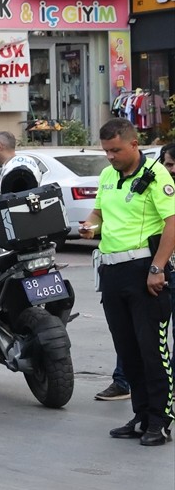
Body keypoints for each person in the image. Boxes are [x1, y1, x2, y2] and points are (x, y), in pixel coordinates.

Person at [80, 120, 174, 447]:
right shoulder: (108, 176)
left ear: (134, 144)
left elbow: (172, 223)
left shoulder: (156, 175)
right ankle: (141, 416)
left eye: (116, 150)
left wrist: (157, 267)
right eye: (106, 151)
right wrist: (90, 226)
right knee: (127, 350)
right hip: (112, 271)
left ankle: (160, 420)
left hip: (144, 270)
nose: (110, 156)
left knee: (152, 351)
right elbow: (98, 214)